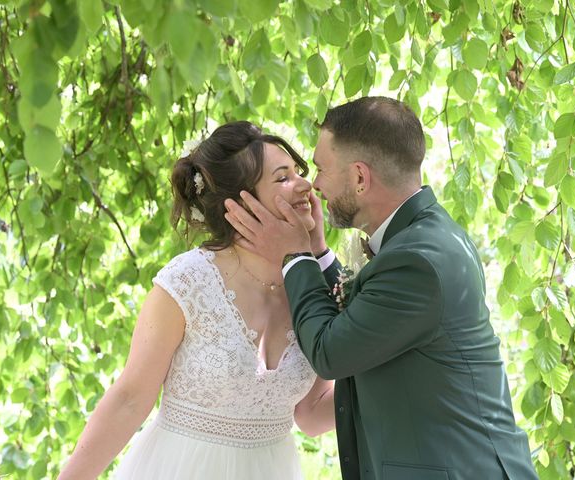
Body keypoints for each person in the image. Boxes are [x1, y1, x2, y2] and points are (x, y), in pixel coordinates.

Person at [224, 97, 538, 480]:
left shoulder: (420, 260)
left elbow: (330, 352)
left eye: (321, 168)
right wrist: (319, 253)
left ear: (359, 177)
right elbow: (369, 314)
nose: (314, 184)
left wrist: (295, 254)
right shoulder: (421, 239)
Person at [58, 121, 335, 480]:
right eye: (283, 178)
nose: (305, 185)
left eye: (299, 173)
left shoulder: (312, 286)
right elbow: (130, 400)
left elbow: (311, 414)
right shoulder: (188, 282)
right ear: (240, 203)